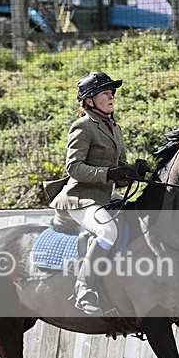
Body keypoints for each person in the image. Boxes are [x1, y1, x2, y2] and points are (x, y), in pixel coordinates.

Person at [43, 71, 148, 316]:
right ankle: (84, 288)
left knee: (140, 216)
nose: (111, 96)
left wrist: (132, 171)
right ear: (89, 101)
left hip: (104, 196)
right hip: (80, 199)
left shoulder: (114, 127)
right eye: (105, 93)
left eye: (112, 92)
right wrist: (109, 173)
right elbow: (74, 168)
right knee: (107, 230)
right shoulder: (83, 126)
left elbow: (117, 171)